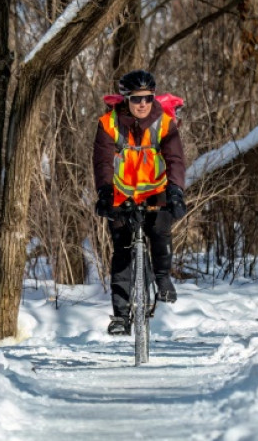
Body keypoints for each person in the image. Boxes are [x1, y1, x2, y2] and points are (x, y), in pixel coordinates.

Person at [93, 70, 187, 336]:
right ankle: (121, 316)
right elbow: (102, 162)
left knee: (159, 229)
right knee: (122, 252)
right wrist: (104, 193)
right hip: (121, 194)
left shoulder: (165, 123)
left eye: (147, 98)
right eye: (136, 99)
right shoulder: (108, 124)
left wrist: (176, 191)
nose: (143, 104)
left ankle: (162, 278)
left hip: (156, 191)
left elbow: (175, 160)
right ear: (126, 100)